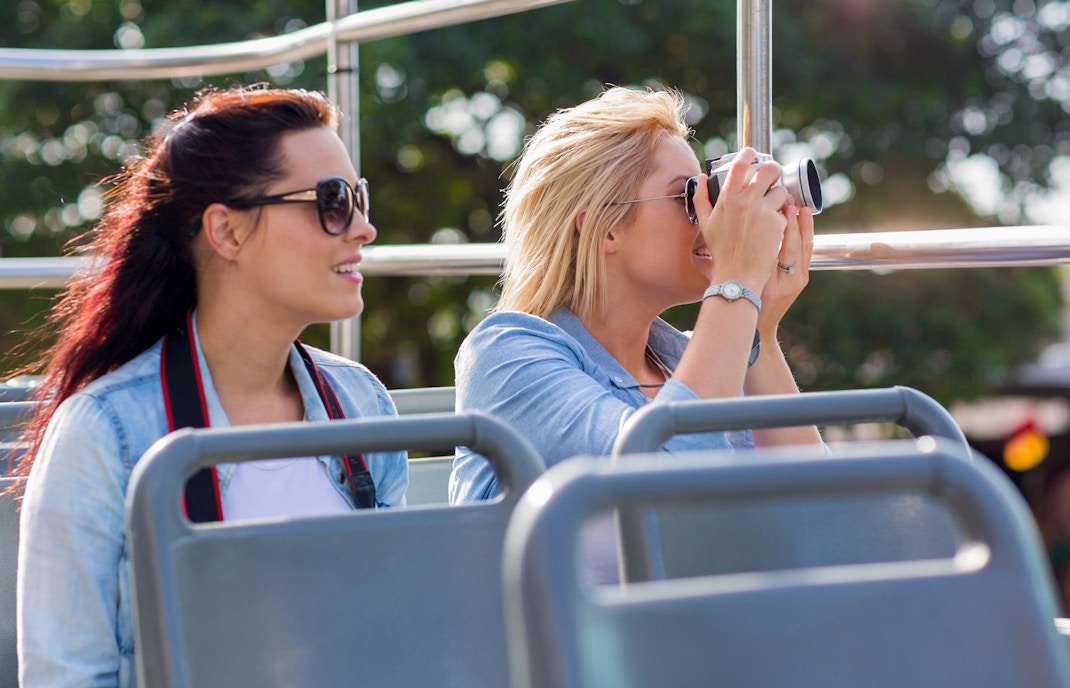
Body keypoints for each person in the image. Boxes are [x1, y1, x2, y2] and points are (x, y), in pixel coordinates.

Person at [15, 85, 407, 687]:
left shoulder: (362, 403)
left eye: (359, 197)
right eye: (331, 200)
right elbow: (66, 676)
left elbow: (399, 641)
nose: (363, 228)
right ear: (226, 232)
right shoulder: (104, 432)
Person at [449, 86, 822, 505]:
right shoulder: (506, 356)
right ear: (604, 227)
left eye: (708, 194)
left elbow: (819, 506)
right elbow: (665, 484)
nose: (712, 217)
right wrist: (735, 283)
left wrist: (759, 329)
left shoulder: (689, 360)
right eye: (688, 197)